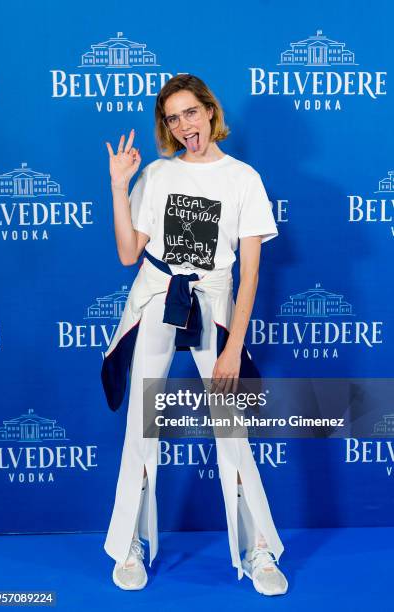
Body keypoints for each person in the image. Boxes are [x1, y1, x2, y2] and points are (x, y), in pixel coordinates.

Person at [102, 74, 288, 596]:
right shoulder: (156, 175)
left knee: (232, 431)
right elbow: (126, 253)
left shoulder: (243, 179)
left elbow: (250, 274)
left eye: (191, 112)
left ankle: (259, 551)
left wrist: (232, 348)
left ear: (210, 111)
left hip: (213, 304)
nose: (185, 125)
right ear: (168, 126)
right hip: (157, 295)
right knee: (143, 426)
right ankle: (129, 545)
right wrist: (119, 187)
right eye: (173, 118)